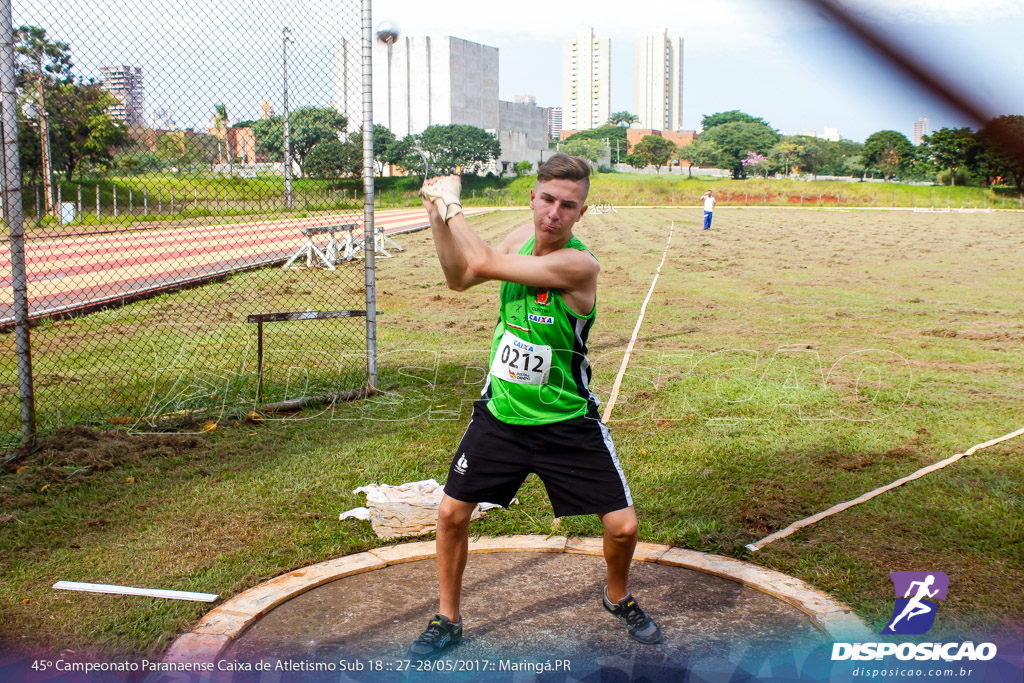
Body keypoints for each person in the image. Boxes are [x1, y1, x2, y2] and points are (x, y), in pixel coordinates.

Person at [408, 153, 661, 658]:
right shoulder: (514, 242)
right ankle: (447, 617)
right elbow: (460, 277)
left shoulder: (578, 263)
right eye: (547, 199)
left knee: (623, 527)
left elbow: (478, 262)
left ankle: (617, 595)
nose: (554, 213)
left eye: (568, 205)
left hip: (566, 422)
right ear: (532, 198)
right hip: (502, 415)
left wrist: (453, 201)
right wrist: (437, 215)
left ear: (580, 214)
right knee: (452, 514)